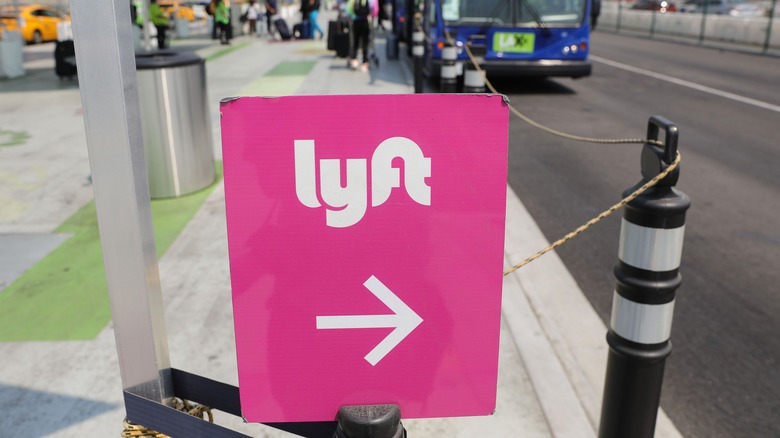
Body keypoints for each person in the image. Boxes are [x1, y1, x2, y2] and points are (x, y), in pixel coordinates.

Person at [347, 0, 377, 72]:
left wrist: (353, 16)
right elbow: (375, 10)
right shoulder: (370, 1)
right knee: (365, 43)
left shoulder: (353, 0)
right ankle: (365, 63)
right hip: (366, 22)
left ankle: (355, 61)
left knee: (355, 42)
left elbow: (348, 10)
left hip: (356, 22)